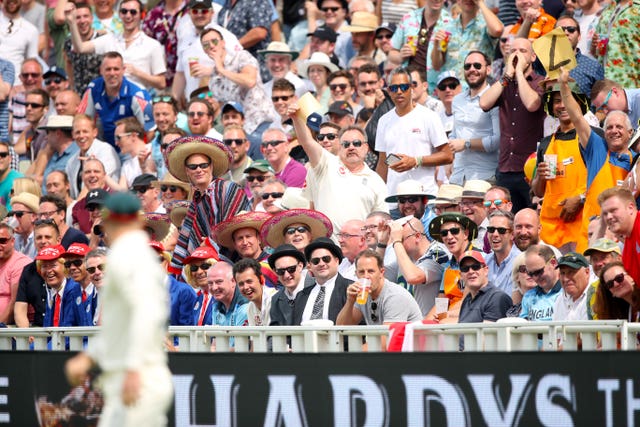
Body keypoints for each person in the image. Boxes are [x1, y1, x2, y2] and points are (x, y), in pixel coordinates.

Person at [65, 192, 173, 425]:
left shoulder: (131, 257)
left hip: (140, 378)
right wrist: (88, 357)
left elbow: (146, 315)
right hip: (127, 378)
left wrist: (134, 369)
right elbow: (118, 325)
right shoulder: (125, 256)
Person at [291, 103, 388, 232]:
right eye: (346, 144)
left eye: (357, 143)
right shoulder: (327, 164)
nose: (351, 147)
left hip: (360, 247)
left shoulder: (376, 181)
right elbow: (307, 142)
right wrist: (296, 118)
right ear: (340, 147)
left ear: (366, 148)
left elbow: (381, 221)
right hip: (327, 246)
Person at [165, 135, 250, 274]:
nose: (199, 170)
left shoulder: (228, 189)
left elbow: (231, 228)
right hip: (206, 268)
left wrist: (210, 244)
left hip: (236, 265)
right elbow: (186, 237)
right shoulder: (196, 202)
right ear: (187, 171)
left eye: (203, 165)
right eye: (193, 167)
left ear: (211, 166)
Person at [479, 37, 545, 213]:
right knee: (506, 220)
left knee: (530, 218)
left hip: (529, 171)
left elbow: (532, 104)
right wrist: (507, 75)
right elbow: (484, 103)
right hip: (505, 167)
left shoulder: (540, 81)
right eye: (512, 52)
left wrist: (519, 75)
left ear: (533, 57)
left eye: (522, 51)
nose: (517, 56)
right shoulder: (503, 83)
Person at [530, 80, 590, 252]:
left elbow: (603, 179)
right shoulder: (545, 143)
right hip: (552, 228)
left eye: (567, 98)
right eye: (557, 101)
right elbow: (538, 192)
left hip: (584, 223)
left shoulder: (592, 137)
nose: (562, 105)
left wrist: (579, 198)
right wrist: (540, 176)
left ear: (578, 103)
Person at [200, 26, 277, 157]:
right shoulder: (213, 79)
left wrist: (222, 70)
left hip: (259, 124)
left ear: (223, 43)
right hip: (238, 134)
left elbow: (250, 81)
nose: (211, 46)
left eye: (214, 41)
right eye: (206, 45)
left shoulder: (242, 57)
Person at [375, 67, 452, 197]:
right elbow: (383, 163)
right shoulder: (384, 120)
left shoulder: (429, 116)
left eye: (403, 87)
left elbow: (447, 155)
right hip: (395, 200)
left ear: (411, 88)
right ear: (388, 91)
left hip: (424, 197)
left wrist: (416, 161)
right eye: (394, 88)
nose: (399, 92)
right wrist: (378, 195)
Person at [66, 0, 167, 91]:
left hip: (139, 101)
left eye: (133, 12)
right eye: (124, 11)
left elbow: (162, 83)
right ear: (119, 14)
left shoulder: (152, 45)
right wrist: (72, 23)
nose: (128, 16)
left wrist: (137, 73)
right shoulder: (109, 39)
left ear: (142, 15)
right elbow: (80, 48)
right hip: (112, 102)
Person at [78, 52, 155, 148]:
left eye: (116, 69)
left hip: (130, 149)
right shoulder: (93, 88)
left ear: (123, 70)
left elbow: (150, 130)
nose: (112, 73)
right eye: (108, 69)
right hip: (104, 146)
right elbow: (82, 120)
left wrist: (141, 155)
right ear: (101, 71)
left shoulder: (138, 94)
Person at [448, 51, 500, 185]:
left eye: (477, 66)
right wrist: (452, 149)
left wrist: (466, 144)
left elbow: (496, 141)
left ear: (488, 69)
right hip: (458, 175)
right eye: (467, 66)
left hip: (484, 175)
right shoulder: (457, 100)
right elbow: (454, 134)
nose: (472, 69)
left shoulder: (494, 98)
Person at [337, 249, 422, 325]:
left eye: (371, 271)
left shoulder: (394, 296)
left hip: (410, 342)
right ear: (356, 274)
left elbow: (388, 339)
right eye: (361, 272)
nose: (366, 276)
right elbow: (341, 327)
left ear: (381, 272)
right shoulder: (362, 294)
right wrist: (350, 301)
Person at [291, 237, 350, 325]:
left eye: (326, 259)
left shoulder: (350, 289)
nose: (321, 264)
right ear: (310, 266)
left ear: (337, 261)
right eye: (316, 261)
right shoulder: (301, 295)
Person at [14, 220, 61, 327]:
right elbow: (20, 309)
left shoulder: (69, 266)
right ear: (34, 241)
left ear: (58, 240)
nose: (43, 241)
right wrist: (26, 334)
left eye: (47, 237)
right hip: (38, 332)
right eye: (39, 238)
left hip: (66, 333)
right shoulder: (28, 270)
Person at [66, 114, 121, 199]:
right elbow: (72, 194)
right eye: (77, 132)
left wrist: (76, 208)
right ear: (73, 135)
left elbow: (90, 186)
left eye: (85, 131)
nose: (81, 136)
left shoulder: (105, 150)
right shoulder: (71, 162)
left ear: (95, 132)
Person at [598, 187, 640, 287]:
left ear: (630, 208)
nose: (608, 217)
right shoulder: (626, 251)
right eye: (605, 213)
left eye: (613, 210)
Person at [592, 0, 640, 87]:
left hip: (630, 83)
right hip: (604, 82)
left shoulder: (637, 7)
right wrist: (595, 43)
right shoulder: (609, 8)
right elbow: (595, 51)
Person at [457, 250, 512, 323]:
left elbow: (488, 333)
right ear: (461, 276)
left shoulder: (497, 297)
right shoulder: (467, 299)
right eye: (465, 269)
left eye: (475, 267)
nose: (471, 271)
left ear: (486, 270)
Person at [268, 244, 309, 326]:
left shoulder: (316, 289)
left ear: (300, 266)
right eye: (281, 271)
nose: (286, 275)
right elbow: (273, 333)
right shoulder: (275, 299)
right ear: (275, 272)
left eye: (291, 269)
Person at [520, 244, 562, 321]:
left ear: (553, 263)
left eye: (539, 272)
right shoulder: (528, 296)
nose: (535, 278)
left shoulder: (567, 292)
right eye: (530, 274)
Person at [261, 208, 333, 252]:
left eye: (302, 230)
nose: (296, 233)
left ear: (310, 236)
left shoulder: (322, 260)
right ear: (285, 239)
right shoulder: (280, 265)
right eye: (290, 231)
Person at [0, 223, 31, 324]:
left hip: (10, 329)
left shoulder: (21, 263)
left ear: (12, 241)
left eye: (2, 241)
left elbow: (15, 302)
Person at [584, 238, 621, 319]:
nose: (599, 263)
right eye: (595, 259)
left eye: (603, 257)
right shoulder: (592, 289)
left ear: (618, 258)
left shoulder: (626, 284)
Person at [485, 210, 521, 295]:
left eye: (501, 230)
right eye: (491, 229)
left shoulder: (520, 262)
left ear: (512, 235)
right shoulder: (484, 261)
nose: (495, 234)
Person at [234, 257, 277, 326]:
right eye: (241, 284)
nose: (246, 287)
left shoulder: (274, 300)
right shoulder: (250, 307)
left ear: (261, 279)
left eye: (249, 281)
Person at [208, 261, 249, 326]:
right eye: (210, 283)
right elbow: (215, 335)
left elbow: (240, 335)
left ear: (233, 281)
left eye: (219, 282)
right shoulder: (216, 305)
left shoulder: (245, 306)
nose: (214, 288)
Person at [553, 252, 590, 320]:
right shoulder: (559, 300)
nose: (566, 279)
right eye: (562, 273)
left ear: (587, 272)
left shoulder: (595, 296)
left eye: (571, 272)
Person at [505, 251, 537, 317]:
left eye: (534, 269)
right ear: (517, 276)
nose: (529, 273)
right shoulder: (512, 312)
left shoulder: (551, 302)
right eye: (524, 269)